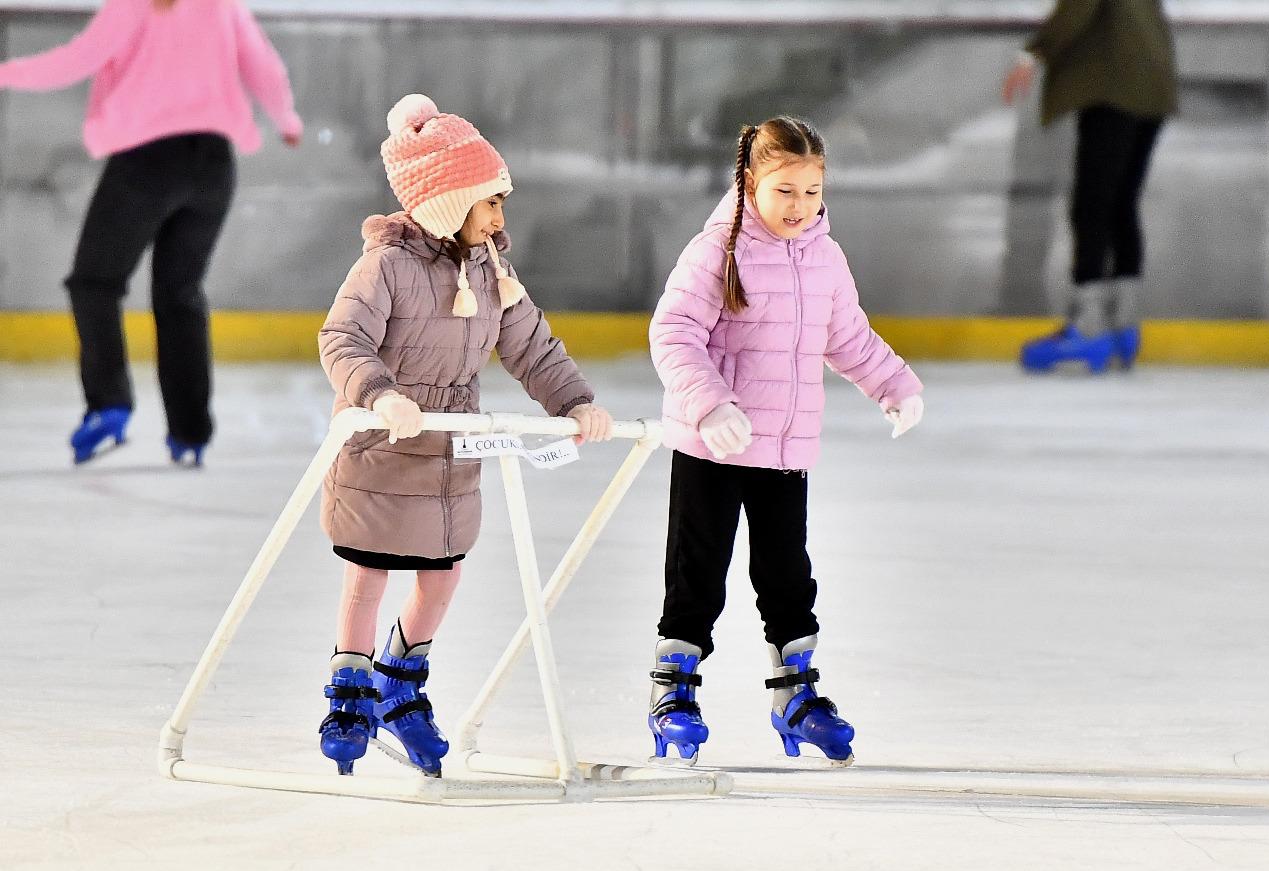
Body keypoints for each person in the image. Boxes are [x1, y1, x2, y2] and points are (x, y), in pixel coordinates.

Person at [315, 94, 614, 777]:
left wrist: (574, 401)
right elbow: (344, 337)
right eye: (490, 203)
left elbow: (531, 346)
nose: (500, 217)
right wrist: (379, 395)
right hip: (383, 447)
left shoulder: (491, 272)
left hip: (450, 456)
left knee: (441, 577)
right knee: (369, 571)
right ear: (448, 203)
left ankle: (401, 673)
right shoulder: (386, 267)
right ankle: (351, 686)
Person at [644, 116, 925, 767]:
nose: (800, 206)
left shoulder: (824, 257)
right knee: (697, 576)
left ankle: (796, 697)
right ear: (750, 183)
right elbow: (673, 331)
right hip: (713, 449)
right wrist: (709, 403)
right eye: (784, 191)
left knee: (787, 578)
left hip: (784, 453)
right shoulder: (719, 249)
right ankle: (673, 695)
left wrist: (894, 384)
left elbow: (847, 335)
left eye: (812, 191)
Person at [0, 0, 304, 465]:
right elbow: (262, 65)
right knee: (180, 293)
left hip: (146, 164)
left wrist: (7, 73)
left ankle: (109, 404)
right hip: (214, 164)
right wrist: (286, 120)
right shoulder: (222, 5)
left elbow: (76, 60)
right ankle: (190, 432)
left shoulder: (136, 4)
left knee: (94, 283)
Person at [1002, 0, 1176, 372]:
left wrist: (1033, 53)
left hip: (1116, 87)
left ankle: (1088, 327)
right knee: (1120, 204)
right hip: (1153, 84)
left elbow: (1078, 8)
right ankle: (1123, 325)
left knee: (1092, 205)